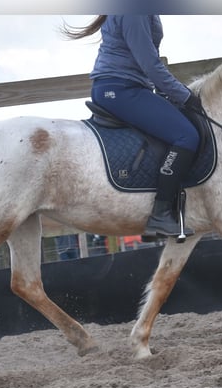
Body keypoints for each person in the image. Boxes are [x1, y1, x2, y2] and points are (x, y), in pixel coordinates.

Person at [63, 15, 203, 237]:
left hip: (125, 87)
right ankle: (160, 213)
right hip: (120, 90)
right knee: (186, 136)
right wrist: (184, 95)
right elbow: (149, 63)